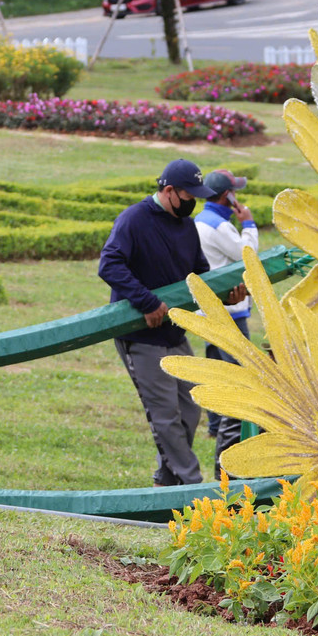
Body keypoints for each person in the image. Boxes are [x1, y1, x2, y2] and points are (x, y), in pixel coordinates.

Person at [98, 158, 246, 487]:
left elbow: (199, 276)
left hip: (174, 331)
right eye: (189, 195)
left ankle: (166, 481)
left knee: (192, 407)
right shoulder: (134, 220)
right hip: (140, 334)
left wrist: (225, 296)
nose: (194, 201)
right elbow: (109, 265)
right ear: (169, 191)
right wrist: (147, 302)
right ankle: (191, 487)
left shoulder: (186, 226)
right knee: (165, 415)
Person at [194, 169, 259, 467]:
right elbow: (248, 254)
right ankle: (227, 435)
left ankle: (214, 425)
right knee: (236, 374)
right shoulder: (219, 225)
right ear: (227, 196)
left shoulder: (203, 220)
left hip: (210, 310)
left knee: (215, 369)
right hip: (229, 311)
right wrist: (248, 223)